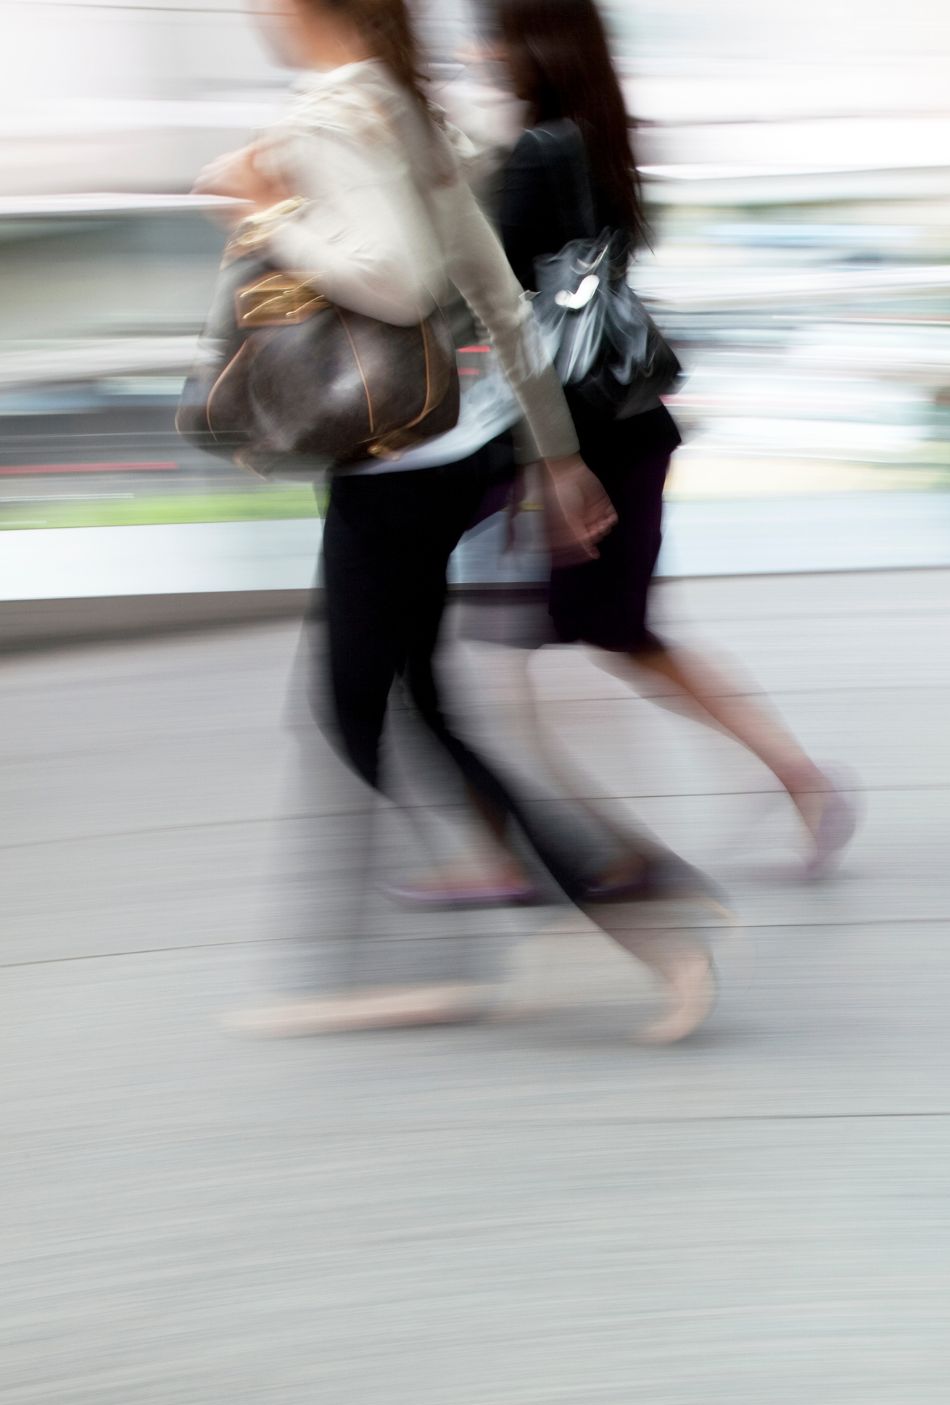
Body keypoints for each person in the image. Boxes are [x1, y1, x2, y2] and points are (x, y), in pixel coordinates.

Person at [198, 0, 717, 1041]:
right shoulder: (405, 105)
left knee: (359, 709)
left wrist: (261, 214)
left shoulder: (333, 115)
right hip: (447, 451)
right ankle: (509, 934)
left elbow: (395, 285)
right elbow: (490, 291)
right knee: (412, 703)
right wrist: (551, 454)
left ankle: (630, 908)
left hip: (395, 463)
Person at [465, 0, 856, 884]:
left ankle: (575, 851)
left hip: (573, 440)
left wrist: (551, 468)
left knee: (532, 642)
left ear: (532, 43)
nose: (477, 50)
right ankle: (795, 784)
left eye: (490, 33)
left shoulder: (534, 156)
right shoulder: (601, 143)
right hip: (625, 425)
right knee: (608, 634)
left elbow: (506, 313)